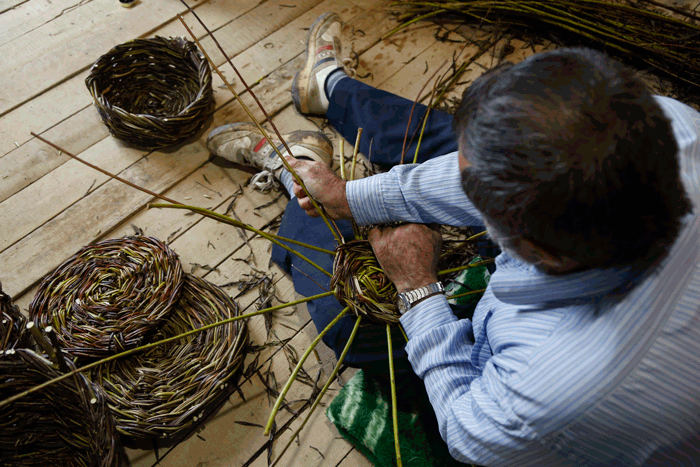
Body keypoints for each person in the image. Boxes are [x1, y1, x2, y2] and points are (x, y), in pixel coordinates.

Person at [207, 12, 700, 467]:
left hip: (564, 422)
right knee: (468, 137)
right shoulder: (676, 130)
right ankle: (329, 90)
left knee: (348, 319)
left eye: (478, 200)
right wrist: (346, 197)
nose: (462, 187)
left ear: (532, 250)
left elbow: (466, 433)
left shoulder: (542, 392)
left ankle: (294, 174)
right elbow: (482, 175)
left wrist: (417, 290)